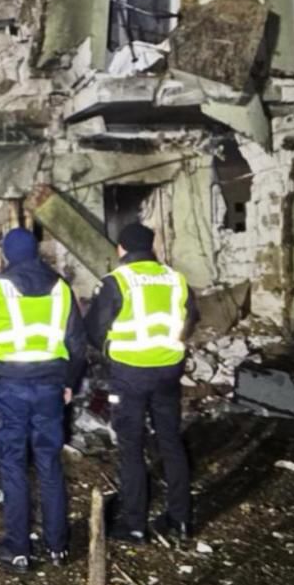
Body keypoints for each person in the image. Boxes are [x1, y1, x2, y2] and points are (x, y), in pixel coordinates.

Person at [0, 228, 86, 573]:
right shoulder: (61, 289)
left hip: (8, 390)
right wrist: (69, 384)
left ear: (8, 255)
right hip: (49, 389)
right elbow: (77, 345)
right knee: (49, 464)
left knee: (13, 465)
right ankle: (57, 547)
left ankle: (18, 549)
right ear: (37, 253)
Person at [85, 222, 198, 545]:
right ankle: (181, 520)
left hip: (130, 374)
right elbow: (190, 319)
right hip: (167, 373)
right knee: (171, 443)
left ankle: (135, 525)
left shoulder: (117, 281)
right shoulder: (176, 280)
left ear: (121, 248)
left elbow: (94, 328)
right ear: (152, 247)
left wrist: (108, 350)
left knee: (131, 448)